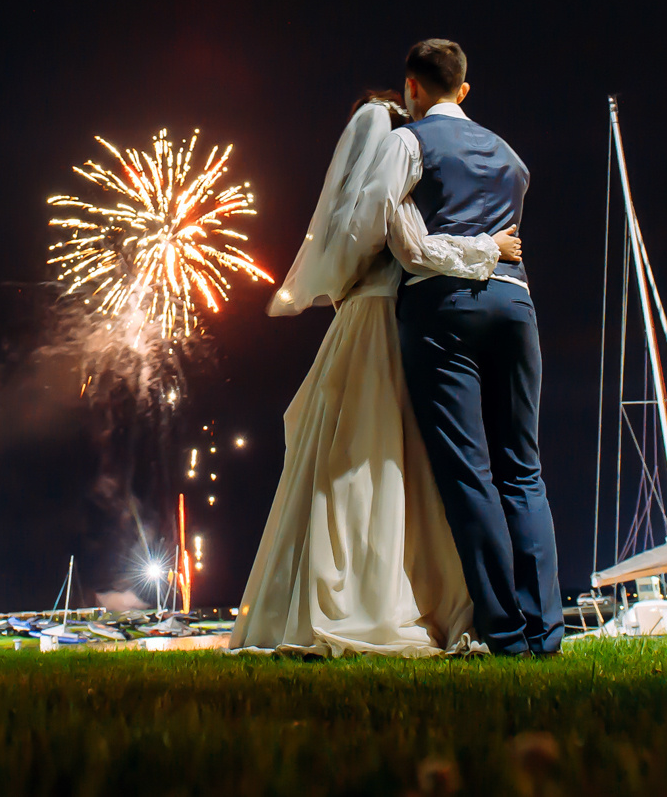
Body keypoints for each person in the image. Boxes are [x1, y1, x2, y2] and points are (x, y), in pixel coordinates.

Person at [228, 77, 523, 656]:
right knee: (392, 455)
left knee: (357, 457)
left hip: (363, 318)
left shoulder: (368, 195)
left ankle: (357, 588)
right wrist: (487, 249)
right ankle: (405, 595)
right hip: (392, 318)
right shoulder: (399, 187)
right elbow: (409, 247)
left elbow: (353, 253)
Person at [394, 38, 563, 655]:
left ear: (412, 88)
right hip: (515, 305)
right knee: (525, 469)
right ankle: (546, 631)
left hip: (443, 306)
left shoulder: (407, 142)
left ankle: (505, 633)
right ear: (464, 90)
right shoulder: (511, 156)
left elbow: (402, 240)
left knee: (470, 474)